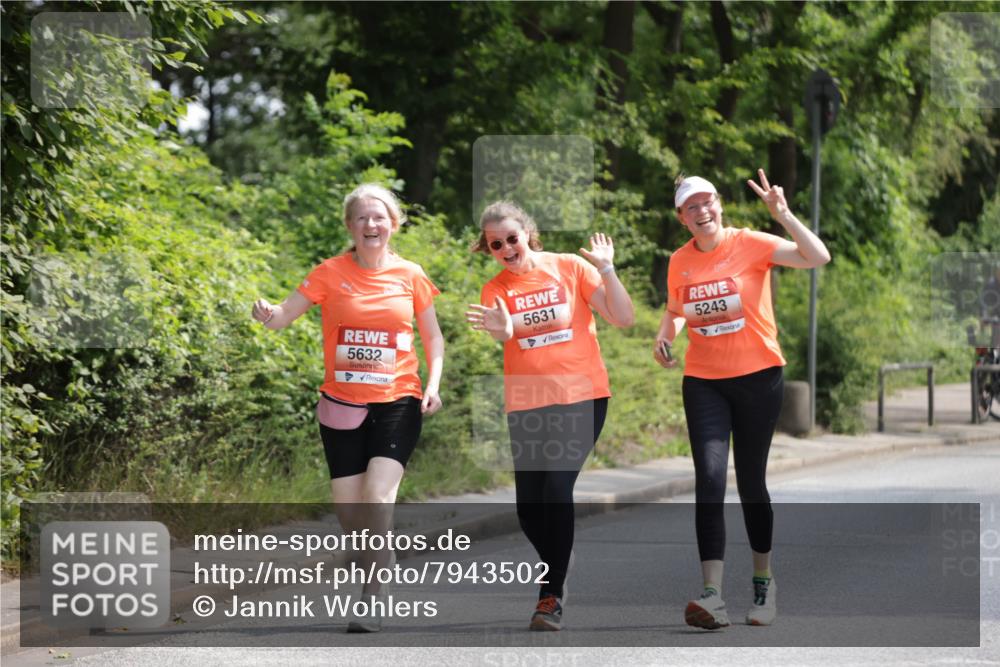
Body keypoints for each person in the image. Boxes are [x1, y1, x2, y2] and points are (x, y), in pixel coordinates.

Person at [251, 183, 444, 633]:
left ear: (393, 224)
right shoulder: (329, 272)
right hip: (341, 404)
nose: (371, 224)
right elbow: (283, 315)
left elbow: (433, 337)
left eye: (379, 217)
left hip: (398, 399)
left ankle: (372, 596)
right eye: (362, 217)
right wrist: (267, 314)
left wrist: (433, 385)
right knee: (351, 518)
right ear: (350, 226)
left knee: (377, 497)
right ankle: (382, 556)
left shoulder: (411, 274)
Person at [654, 170, 831, 629]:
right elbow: (676, 310)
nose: (703, 211)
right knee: (710, 479)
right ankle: (712, 594)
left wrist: (783, 215)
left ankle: (763, 581)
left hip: (759, 378)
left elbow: (818, 256)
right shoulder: (679, 261)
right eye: (692, 207)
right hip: (704, 381)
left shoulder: (749, 242)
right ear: (682, 218)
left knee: (751, 484)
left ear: (720, 205)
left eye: (708, 201)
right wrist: (665, 335)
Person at [465, 201, 635, 631]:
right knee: (529, 510)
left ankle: (550, 595)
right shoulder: (495, 289)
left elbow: (623, 317)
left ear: (528, 233)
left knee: (557, 489)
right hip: (527, 403)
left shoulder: (570, 267)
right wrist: (502, 328)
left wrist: (607, 269)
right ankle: (559, 556)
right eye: (496, 244)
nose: (507, 249)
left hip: (581, 396)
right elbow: (504, 331)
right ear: (489, 249)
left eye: (512, 239)